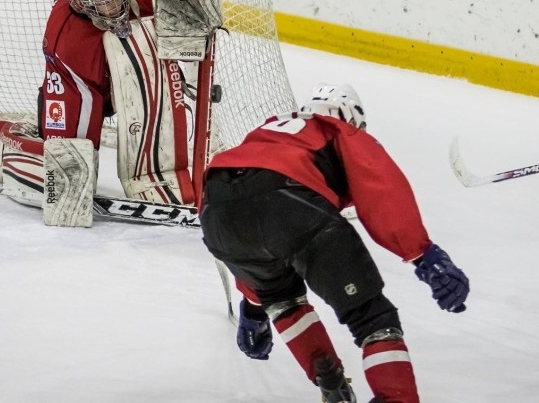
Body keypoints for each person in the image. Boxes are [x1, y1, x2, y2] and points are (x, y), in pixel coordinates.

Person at [199, 83, 470, 403]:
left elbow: (249, 201)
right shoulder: (338, 130)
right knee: (372, 318)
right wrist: (423, 253)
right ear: (349, 117)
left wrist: (254, 307)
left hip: (215, 210)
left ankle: (331, 383)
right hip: (290, 202)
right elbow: (380, 186)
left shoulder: (267, 130)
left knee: (281, 298)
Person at [0, 0, 223, 209]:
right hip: (75, 83)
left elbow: (175, 34)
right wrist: (82, 152)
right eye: (104, 4)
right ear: (85, 4)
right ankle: (4, 148)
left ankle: (158, 178)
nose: (115, 7)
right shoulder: (68, 40)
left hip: (123, 63)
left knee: (159, 101)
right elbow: (84, 100)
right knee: (69, 172)